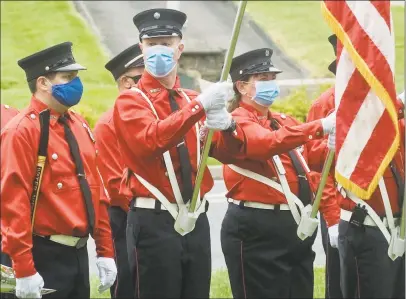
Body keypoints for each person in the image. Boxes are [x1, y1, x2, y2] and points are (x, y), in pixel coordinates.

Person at [113, 8, 234, 299]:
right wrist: (200, 108)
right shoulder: (131, 102)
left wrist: (226, 127)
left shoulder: (190, 100)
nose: (159, 51)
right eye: (151, 44)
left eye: (166, 44)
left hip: (195, 217)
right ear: (141, 48)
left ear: (179, 49)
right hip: (153, 220)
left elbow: (224, 154)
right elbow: (151, 140)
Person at [206, 48, 336, 298]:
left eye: (272, 78)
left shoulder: (284, 121)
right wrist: (318, 126)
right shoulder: (236, 121)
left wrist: (338, 144)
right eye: (262, 79)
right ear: (242, 87)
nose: (270, 84)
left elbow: (312, 163)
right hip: (256, 229)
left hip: (294, 227)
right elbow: (266, 144)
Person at [0, 42, 117, 299]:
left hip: (76, 254)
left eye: (76, 77)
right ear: (43, 82)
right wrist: (23, 268)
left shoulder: (78, 124)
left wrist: (105, 250)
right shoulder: (22, 131)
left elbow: (95, 191)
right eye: (67, 77)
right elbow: (13, 204)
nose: (76, 84)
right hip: (41, 254)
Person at [94, 43, 145, 298]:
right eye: (143, 77)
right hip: (126, 218)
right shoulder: (108, 124)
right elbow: (116, 184)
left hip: (152, 216)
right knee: (129, 286)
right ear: (126, 82)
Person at [306, 34, 342, 299]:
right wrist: (332, 219)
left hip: (384, 211)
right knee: (340, 285)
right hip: (341, 211)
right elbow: (318, 167)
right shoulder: (325, 105)